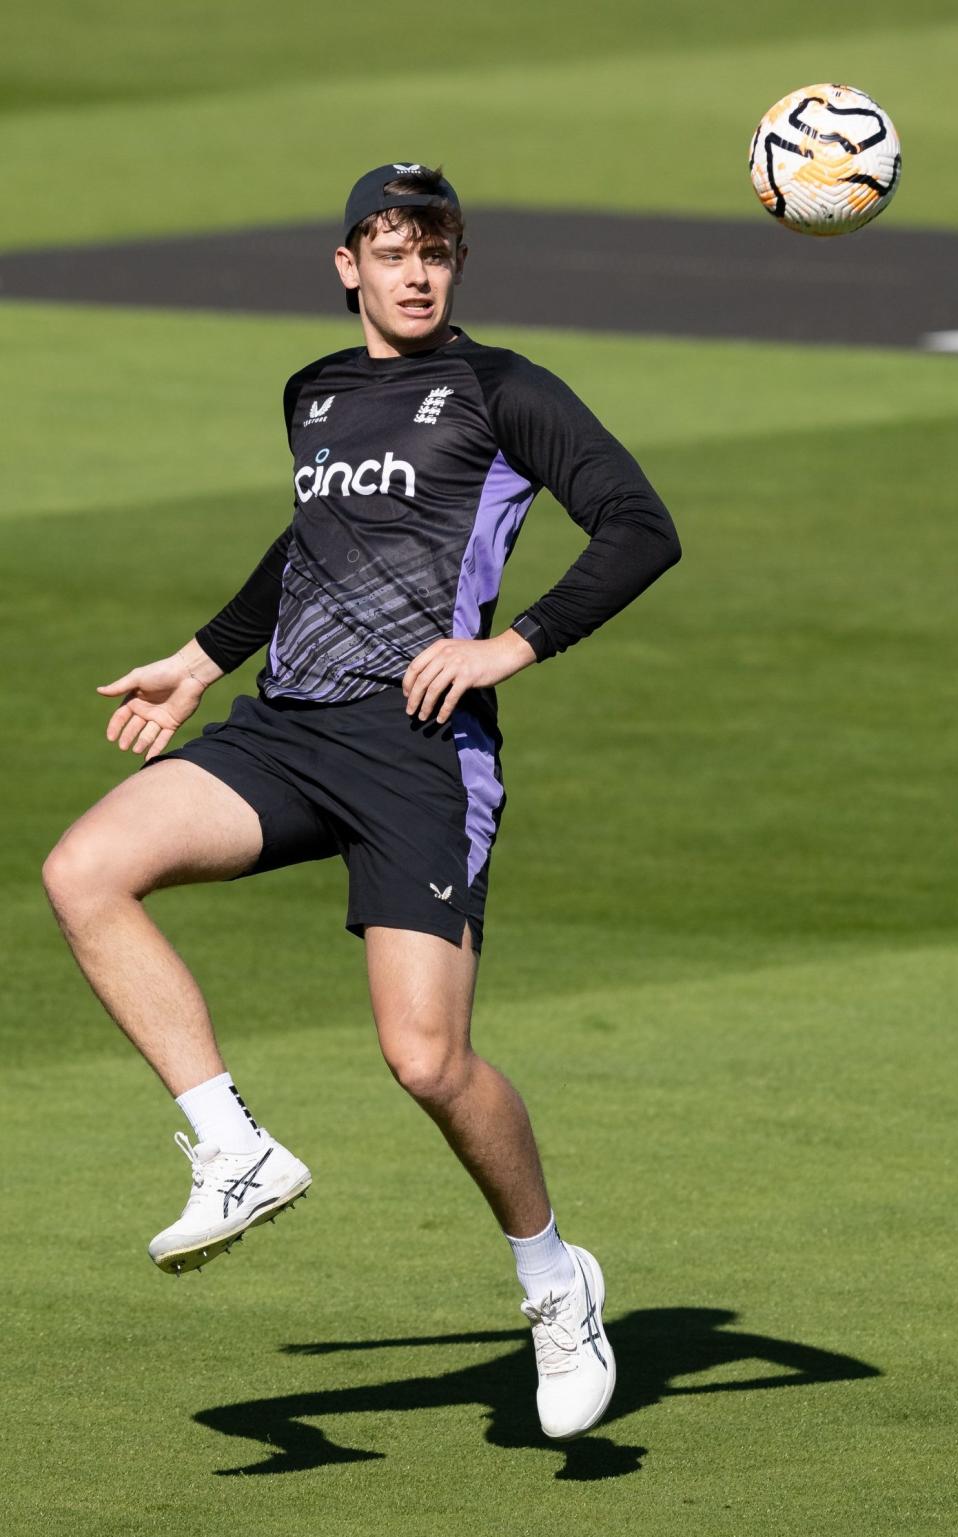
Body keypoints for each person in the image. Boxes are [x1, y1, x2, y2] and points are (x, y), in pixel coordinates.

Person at [42, 163, 681, 1442]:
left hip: (421, 754)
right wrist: (200, 658)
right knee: (85, 869)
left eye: (435, 246)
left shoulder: (505, 389)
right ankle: (232, 1146)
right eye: (390, 247)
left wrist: (519, 644)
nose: (415, 268)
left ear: (456, 261)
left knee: (427, 1059)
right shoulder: (318, 395)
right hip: (285, 731)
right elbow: (312, 544)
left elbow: (637, 523)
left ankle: (555, 1281)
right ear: (347, 263)